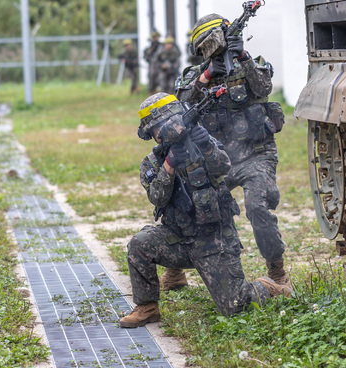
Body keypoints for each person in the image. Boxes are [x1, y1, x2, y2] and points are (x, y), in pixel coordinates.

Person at [119, 93, 291, 328]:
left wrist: (207, 146)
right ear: (152, 134)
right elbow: (157, 197)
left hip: (214, 241)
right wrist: (169, 165)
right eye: (159, 129)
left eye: (170, 123)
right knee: (140, 244)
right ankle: (147, 307)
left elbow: (224, 167)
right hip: (179, 240)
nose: (166, 131)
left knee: (235, 306)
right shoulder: (152, 163)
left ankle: (269, 287)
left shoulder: (203, 142)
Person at [171, 13, 288, 290]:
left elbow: (265, 87)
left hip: (255, 154)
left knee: (257, 207)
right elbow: (180, 105)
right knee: (186, 204)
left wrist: (243, 57)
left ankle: (278, 272)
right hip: (217, 160)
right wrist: (207, 75)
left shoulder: (250, 63)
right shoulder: (193, 76)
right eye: (207, 47)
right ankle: (175, 270)